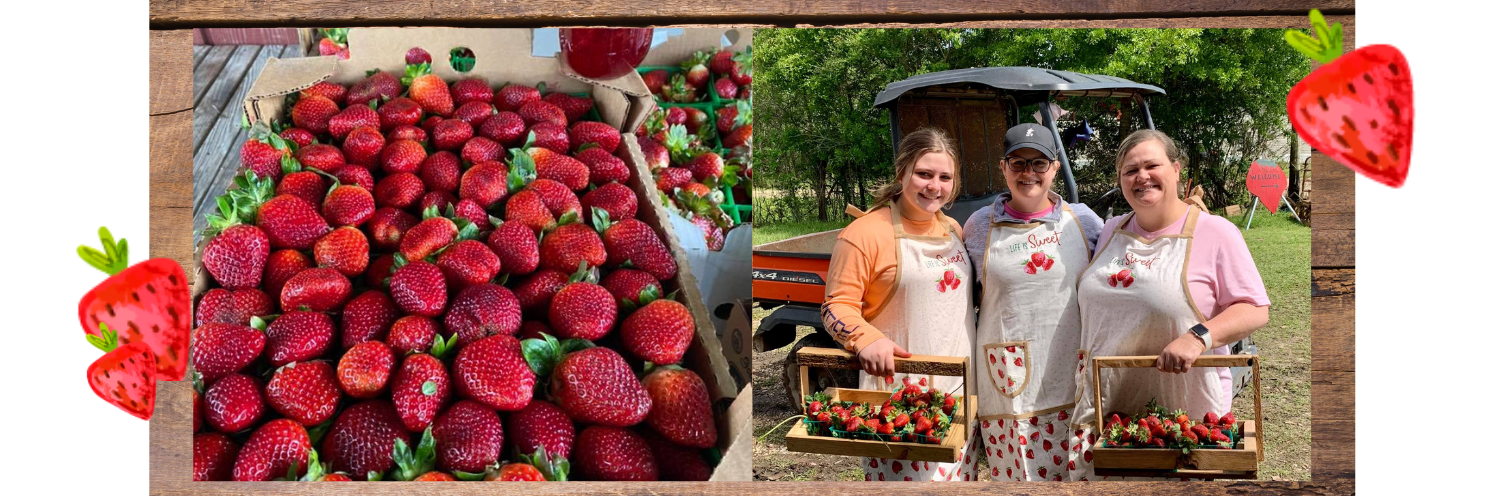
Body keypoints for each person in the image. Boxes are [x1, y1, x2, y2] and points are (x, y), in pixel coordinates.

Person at [1066, 130, 1270, 481]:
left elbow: (1254, 307)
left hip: (1181, 418)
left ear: (1176, 169)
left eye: (1152, 165)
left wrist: (1198, 337)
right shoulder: (1112, 229)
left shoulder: (1215, 232)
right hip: (1106, 409)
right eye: (1130, 171)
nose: (1141, 177)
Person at [823, 127, 981, 481]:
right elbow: (835, 307)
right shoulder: (864, 233)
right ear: (902, 174)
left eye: (945, 177)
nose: (934, 186)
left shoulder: (953, 228)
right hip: (899, 401)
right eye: (924, 174)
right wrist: (867, 339)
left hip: (958, 393)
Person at [960, 123, 1103, 481]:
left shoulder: (1083, 222)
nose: (1029, 173)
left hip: (1071, 373)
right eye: (1018, 162)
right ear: (1003, 167)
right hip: (1008, 382)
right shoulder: (979, 226)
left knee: (1080, 476)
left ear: (1056, 167)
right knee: (1019, 482)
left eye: (1040, 163)